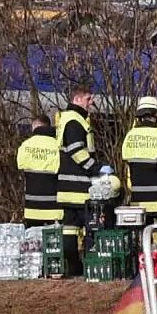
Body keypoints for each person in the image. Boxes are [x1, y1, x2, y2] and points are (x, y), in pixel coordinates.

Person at [56, 87, 103, 277]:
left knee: (69, 229)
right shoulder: (75, 122)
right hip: (80, 186)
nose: (91, 102)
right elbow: (77, 151)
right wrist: (96, 168)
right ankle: (90, 268)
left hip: (66, 187)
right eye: (87, 98)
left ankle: (74, 268)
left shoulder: (67, 119)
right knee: (92, 227)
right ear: (77, 99)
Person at [120, 97, 157, 225]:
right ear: (156, 115)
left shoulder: (129, 136)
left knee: (144, 239)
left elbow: (127, 162)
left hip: (138, 201)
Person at [15, 114, 63, 227]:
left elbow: (21, 170)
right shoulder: (57, 146)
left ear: (35, 126)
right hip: (54, 208)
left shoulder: (25, 145)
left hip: (32, 208)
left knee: (33, 243)